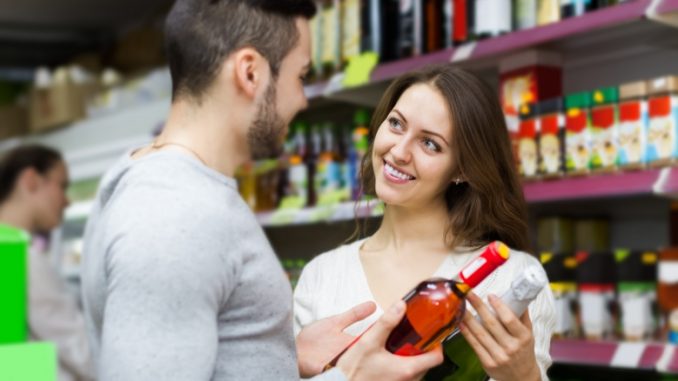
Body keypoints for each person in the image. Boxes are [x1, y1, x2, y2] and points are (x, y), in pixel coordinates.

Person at [80, 0, 441, 380]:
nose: (302, 100)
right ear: (250, 72)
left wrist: (279, 356)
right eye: (300, 76)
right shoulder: (177, 218)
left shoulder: (147, 176)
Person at [294, 66, 557, 381]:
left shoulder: (510, 279)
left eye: (430, 144)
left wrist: (525, 376)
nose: (399, 151)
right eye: (396, 124)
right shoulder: (321, 276)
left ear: (463, 169)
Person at [0, 144, 95, 381]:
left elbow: (12, 357)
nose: (67, 201)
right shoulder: (14, 253)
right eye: (62, 186)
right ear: (31, 180)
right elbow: (78, 350)